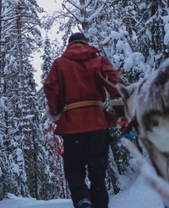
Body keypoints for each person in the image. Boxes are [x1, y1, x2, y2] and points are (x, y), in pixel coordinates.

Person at [44, 32, 124, 208]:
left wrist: (56, 112)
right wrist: (120, 110)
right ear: (86, 44)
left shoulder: (59, 64)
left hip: (72, 126)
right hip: (97, 123)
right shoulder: (99, 61)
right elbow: (114, 82)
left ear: (69, 45)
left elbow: (50, 87)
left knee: (74, 169)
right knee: (98, 174)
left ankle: (82, 200)